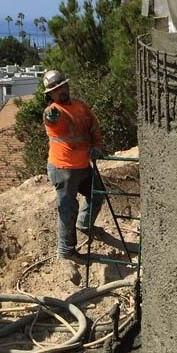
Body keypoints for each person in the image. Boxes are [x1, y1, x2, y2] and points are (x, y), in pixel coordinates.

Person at [41, 70, 104, 262]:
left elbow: (94, 125)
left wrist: (96, 146)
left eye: (62, 87)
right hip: (63, 169)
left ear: (67, 86)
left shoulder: (80, 106)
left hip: (83, 165)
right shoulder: (54, 111)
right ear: (49, 95)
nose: (60, 91)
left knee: (97, 193)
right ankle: (66, 251)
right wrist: (50, 117)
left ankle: (84, 224)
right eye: (55, 90)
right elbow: (50, 120)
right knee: (67, 209)